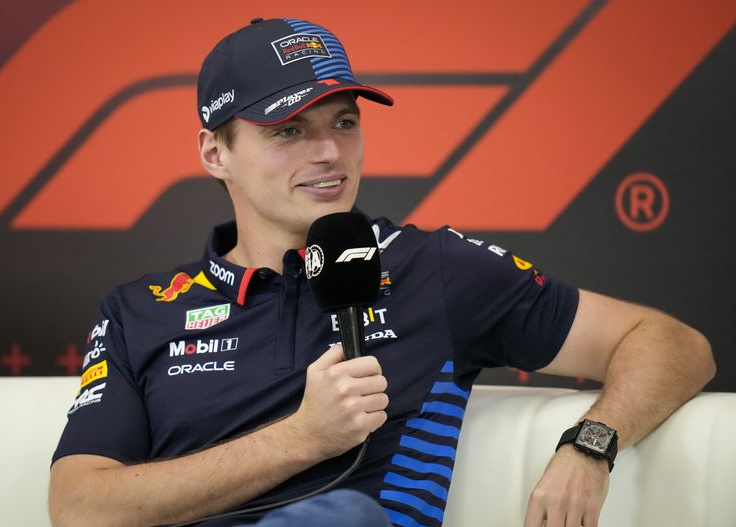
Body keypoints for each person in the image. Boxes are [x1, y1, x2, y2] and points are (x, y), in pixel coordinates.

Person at [48, 17, 715, 527]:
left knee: (343, 517)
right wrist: (302, 439)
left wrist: (590, 445)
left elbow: (672, 344)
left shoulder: (433, 268)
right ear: (215, 152)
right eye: (289, 130)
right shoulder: (140, 310)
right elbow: (78, 506)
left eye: (344, 122)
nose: (329, 152)